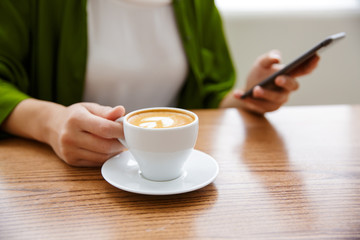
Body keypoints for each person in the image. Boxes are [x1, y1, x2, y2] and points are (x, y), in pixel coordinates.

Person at [0, 0, 319, 167]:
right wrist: (50, 123)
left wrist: (245, 98)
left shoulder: (198, 5)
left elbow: (206, 98)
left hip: (167, 182)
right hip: (67, 186)